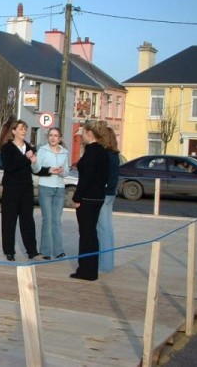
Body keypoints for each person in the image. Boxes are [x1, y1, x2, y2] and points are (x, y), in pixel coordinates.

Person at [70, 120, 109, 281]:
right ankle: (91, 268)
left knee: (86, 234)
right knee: (92, 233)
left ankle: (86, 269)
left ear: (88, 132)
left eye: (83, 132)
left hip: (87, 198)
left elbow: (86, 177)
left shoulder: (92, 152)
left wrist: (77, 196)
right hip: (98, 197)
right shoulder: (102, 151)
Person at [0, 119, 42, 262]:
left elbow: (35, 168)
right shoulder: (7, 148)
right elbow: (10, 167)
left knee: (28, 220)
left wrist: (41, 166)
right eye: (21, 129)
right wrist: (26, 159)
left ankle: (32, 250)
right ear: (13, 131)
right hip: (11, 189)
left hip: (26, 188)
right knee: (9, 220)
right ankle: (9, 251)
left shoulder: (30, 148)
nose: (24, 131)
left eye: (25, 129)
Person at [33, 127, 70, 260]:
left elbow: (67, 171)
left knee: (56, 220)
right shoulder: (42, 150)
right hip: (45, 187)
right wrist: (48, 169)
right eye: (51, 135)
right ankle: (46, 251)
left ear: (60, 138)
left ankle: (58, 250)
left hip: (59, 189)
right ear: (47, 137)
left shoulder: (64, 152)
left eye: (56, 136)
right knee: (47, 220)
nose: (53, 138)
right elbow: (36, 169)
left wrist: (61, 171)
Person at [97, 123, 120, 273]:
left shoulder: (105, 156)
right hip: (111, 193)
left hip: (104, 194)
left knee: (103, 229)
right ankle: (108, 262)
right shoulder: (115, 156)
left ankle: (104, 264)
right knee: (108, 229)